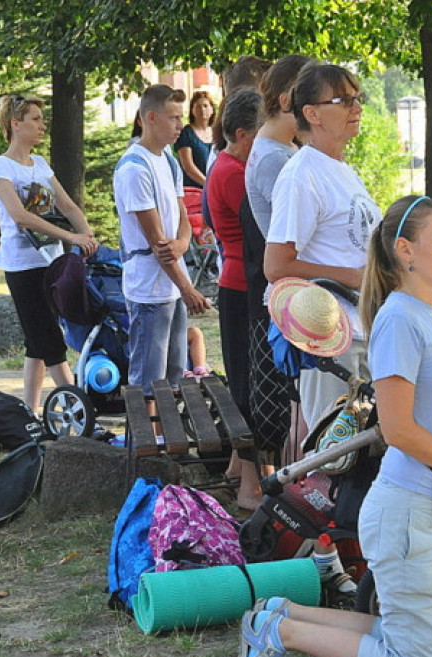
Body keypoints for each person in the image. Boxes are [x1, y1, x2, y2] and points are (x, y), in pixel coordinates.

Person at [237, 196, 432, 657]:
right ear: (406, 251)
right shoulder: (399, 320)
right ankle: (278, 632)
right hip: (412, 513)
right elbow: (397, 429)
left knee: (428, 654)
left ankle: (284, 614)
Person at [265, 61, 381, 433]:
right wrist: (352, 277)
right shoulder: (302, 174)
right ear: (312, 113)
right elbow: (277, 265)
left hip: (361, 328)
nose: (357, 108)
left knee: (364, 448)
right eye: (344, 100)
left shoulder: (340, 168)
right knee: (332, 449)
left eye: (357, 98)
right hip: (330, 337)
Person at [0, 94, 98, 408]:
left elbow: (67, 204)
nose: (42, 125)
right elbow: (20, 216)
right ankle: (80, 410)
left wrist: (86, 234)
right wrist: (70, 236)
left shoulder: (40, 164)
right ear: (16, 124)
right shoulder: (0, 167)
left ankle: (30, 411)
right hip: (22, 266)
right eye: (35, 119)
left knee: (36, 343)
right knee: (49, 340)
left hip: (49, 260)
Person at [115, 84, 209, 398]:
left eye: (180, 117)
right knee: (148, 379)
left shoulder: (167, 159)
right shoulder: (134, 169)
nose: (180, 125)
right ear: (150, 118)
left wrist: (183, 242)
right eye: (173, 117)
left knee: (173, 373)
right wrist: (188, 288)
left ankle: (169, 438)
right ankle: (147, 441)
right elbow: (157, 242)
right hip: (149, 288)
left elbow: (180, 209)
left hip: (172, 282)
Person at [243, 55, 312, 467]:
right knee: (302, 417)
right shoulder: (277, 159)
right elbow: (298, 245)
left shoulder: (281, 151)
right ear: (289, 100)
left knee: (302, 411)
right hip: (297, 301)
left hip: (298, 298)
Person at [206, 87, 267, 509]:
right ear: (244, 134)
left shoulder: (227, 164)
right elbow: (260, 231)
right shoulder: (231, 172)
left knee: (244, 378)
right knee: (248, 386)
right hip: (242, 285)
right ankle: (249, 486)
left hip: (239, 281)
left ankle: (234, 467)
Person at [174, 90, 215, 189]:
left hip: (214, 188)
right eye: (198, 106)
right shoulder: (186, 133)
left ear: (212, 110)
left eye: (205, 106)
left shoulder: (216, 132)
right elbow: (188, 167)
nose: (202, 109)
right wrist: (208, 185)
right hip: (194, 191)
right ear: (192, 110)